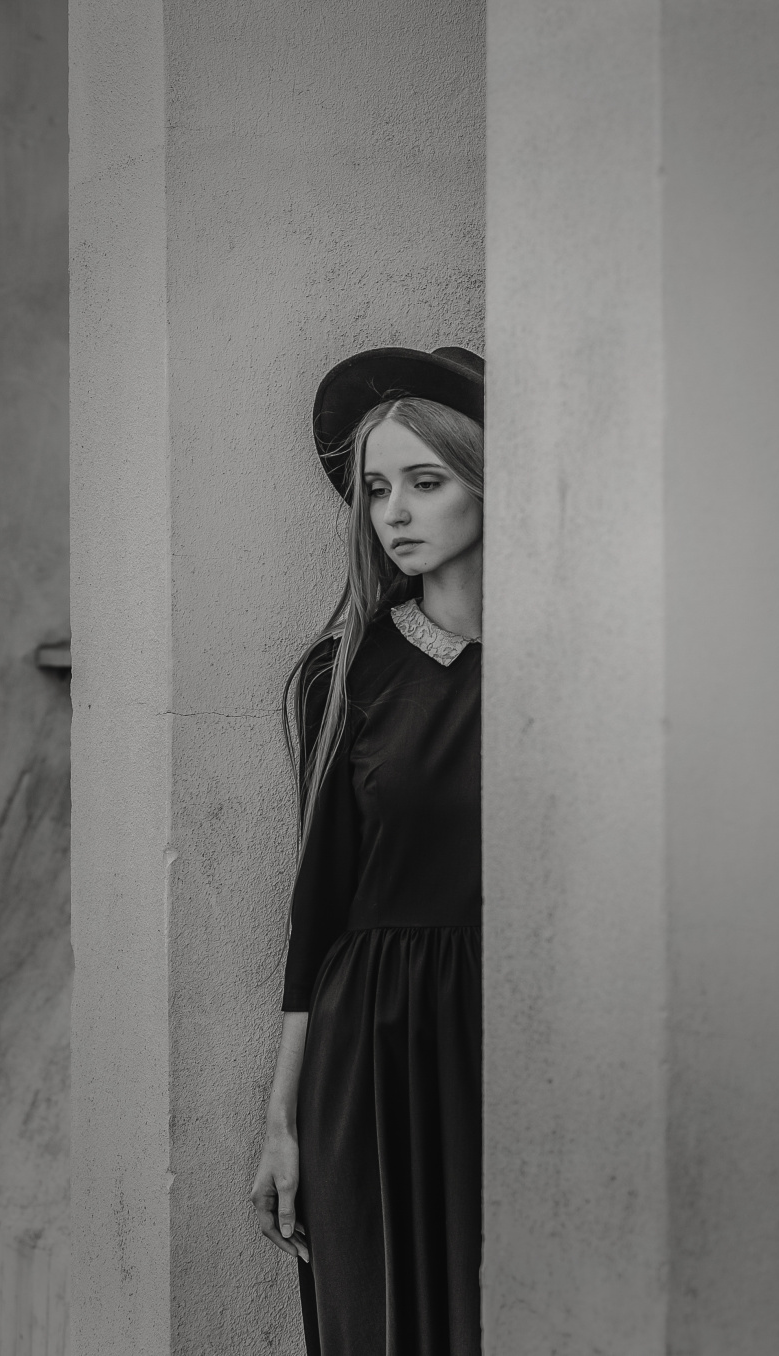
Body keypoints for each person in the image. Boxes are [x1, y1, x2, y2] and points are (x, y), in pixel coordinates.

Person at [251, 346, 485, 1356]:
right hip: (371, 1049)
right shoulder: (343, 672)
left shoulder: (581, 667)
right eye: (378, 489)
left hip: (508, 1036)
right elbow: (318, 906)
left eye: (425, 482)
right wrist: (282, 1118)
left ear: (490, 480)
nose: (394, 512)